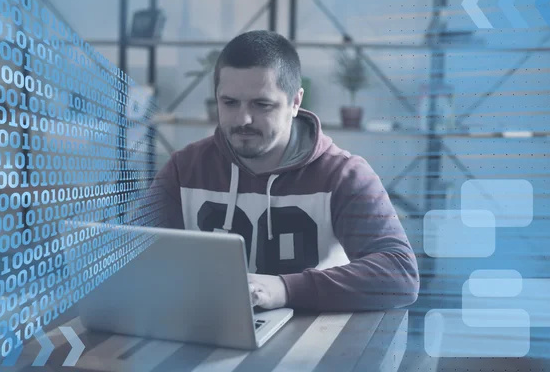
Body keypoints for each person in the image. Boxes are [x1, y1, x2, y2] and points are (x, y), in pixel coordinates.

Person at [149, 30, 419, 312]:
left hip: (316, 345)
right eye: (229, 103)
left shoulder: (343, 175)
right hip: (211, 333)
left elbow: (399, 274)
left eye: (262, 104)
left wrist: (284, 289)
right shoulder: (184, 169)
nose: (243, 119)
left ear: (295, 102)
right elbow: (131, 258)